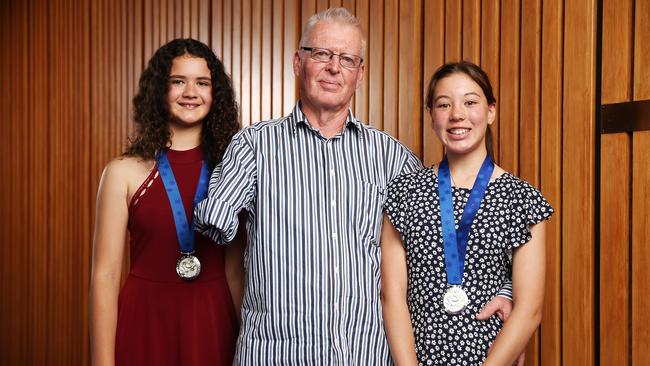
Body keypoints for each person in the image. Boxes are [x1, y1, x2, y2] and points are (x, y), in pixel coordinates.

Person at [195, 8, 514, 365]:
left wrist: (507, 290)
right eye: (322, 54)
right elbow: (215, 227)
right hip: (275, 355)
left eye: (347, 59)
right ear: (298, 62)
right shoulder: (255, 146)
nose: (334, 68)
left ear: (360, 75)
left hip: (367, 355)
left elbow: (453, 235)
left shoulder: (392, 157)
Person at [381, 61, 552, 365]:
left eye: (470, 102)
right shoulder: (403, 192)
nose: (457, 114)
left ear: (491, 112)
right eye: (443, 104)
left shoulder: (522, 199)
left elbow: (529, 310)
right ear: (432, 117)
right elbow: (393, 297)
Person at [89, 38, 243, 366]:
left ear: (216, 95)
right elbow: (105, 276)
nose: (191, 92)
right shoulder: (122, 172)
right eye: (178, 81)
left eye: (202, 82)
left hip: (212, 322)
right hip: (144, 320)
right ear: (160, 89)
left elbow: (235, 270)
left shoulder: (233, 172)